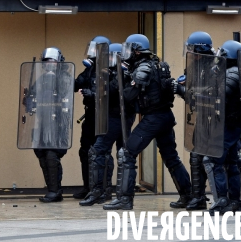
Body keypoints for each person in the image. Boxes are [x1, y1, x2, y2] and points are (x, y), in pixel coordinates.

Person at [103, 34, 191, 210]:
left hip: (154, 118)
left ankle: (125, 199)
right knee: (171, 157)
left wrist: (125, 75)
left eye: (129, 49)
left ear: (137, 50)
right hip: (165, 117)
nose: (127, 53)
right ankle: (188, 196)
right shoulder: (156, 64)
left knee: (127, 153)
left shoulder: (143, 68)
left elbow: (128, 95)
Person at [80, 43, 136, 206]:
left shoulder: (124, 72)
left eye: (110, 57)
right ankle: (108, 193)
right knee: (112, 154)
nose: (107, 60)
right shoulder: (111, 72)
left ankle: (105, 193)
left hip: (119, 118)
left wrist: (97, 90)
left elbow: (111, 90)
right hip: (112, 116)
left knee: (100, 151)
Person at [202, 40, 241, 214]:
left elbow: (217, 94)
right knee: (231, 162)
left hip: (227, 125)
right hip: (231, 124)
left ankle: (221, 200)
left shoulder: (233, 73)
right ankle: (234, 200)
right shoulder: (237, 72)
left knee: (212, 160)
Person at [171, 31, 213, 210]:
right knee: (195, 157)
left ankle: (226, 198)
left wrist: (180, 90)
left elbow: (203, 95)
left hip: (211, 119)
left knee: (212, 161)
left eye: (192, 49)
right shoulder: (196, 66)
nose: (190, 53)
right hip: (198, 117)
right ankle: (198, 197)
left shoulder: (213, 66)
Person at [26, 47, 72, 203]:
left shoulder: (65, 77)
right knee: (42, 155)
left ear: (59, 62)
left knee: (52, 155)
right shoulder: (42, 79)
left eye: (52, 61)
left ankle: (55, 191)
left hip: (58, 123)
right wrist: (29, 101)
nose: (49, 64)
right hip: (43, 123)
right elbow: (33, 95)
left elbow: (63, 96)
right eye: (46, 62)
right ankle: (52, 189)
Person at [73, 36, 111, 199]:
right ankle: (88, 187)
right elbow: (76, 84)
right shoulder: (90, 69)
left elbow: (110, 93)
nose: (91, 53)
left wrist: (92, 94)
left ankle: (104, 189)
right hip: (90, 116)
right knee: (85, 151)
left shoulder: (109, 69)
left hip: (103, 117)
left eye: (94, 50)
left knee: (101, 153)